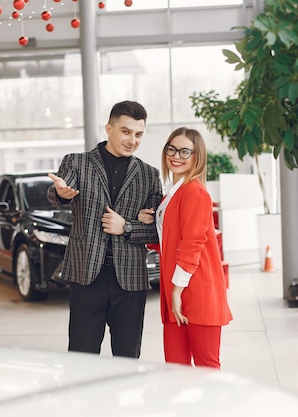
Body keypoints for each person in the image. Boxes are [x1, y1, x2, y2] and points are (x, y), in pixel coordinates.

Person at [46, 100, 162, 359]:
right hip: (87, 277)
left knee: (127, 359)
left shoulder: (149, 175)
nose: (132, 140)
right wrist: (62, 193)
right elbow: (61, 193)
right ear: (108, 128)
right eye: (126, 131)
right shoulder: (77, 163)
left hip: (130, 281)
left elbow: (157, 231)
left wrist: (127, 227)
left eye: (138, 134)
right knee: (82, 356)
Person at [140, 127, 232, 368]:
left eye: (184, 151)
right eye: (171, 148)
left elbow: (192, 245)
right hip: (177, 290)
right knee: (176, 368)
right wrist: (150, 222)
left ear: (197, 156)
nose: (176, 155)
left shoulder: (195, 192)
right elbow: (171, 240)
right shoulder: (173, 192)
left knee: (205, 368)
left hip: (194, 291)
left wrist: (176, 292)